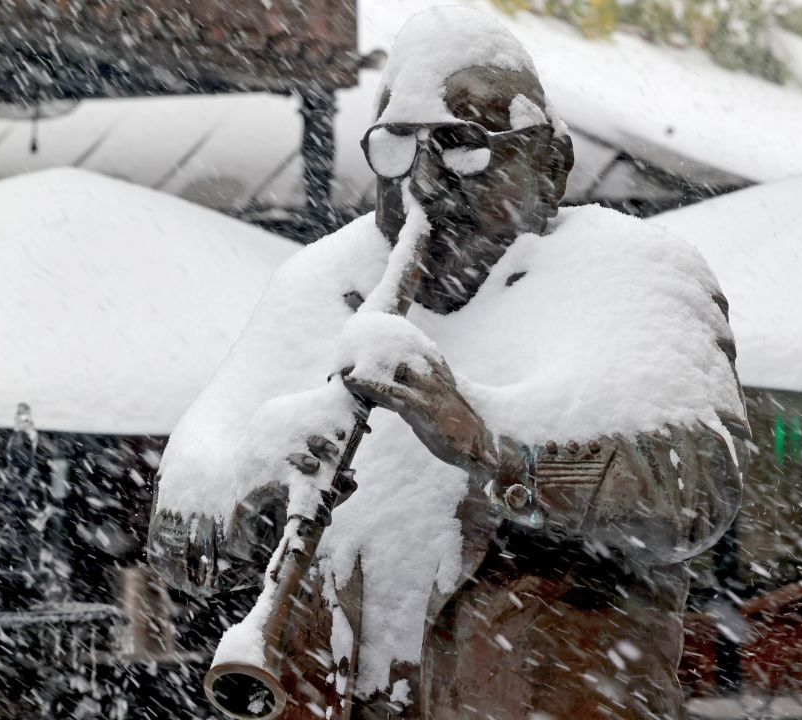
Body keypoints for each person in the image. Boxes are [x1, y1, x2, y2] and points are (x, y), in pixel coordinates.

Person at [149, 7, 748, 719]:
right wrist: (247, 478)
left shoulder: (636, 272)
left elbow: (696, 492)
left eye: (466, 145)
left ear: (552, 164)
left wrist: (494, 448)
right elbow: (176, 545)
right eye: (398, 144)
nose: (425, 184)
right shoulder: (319, 282)